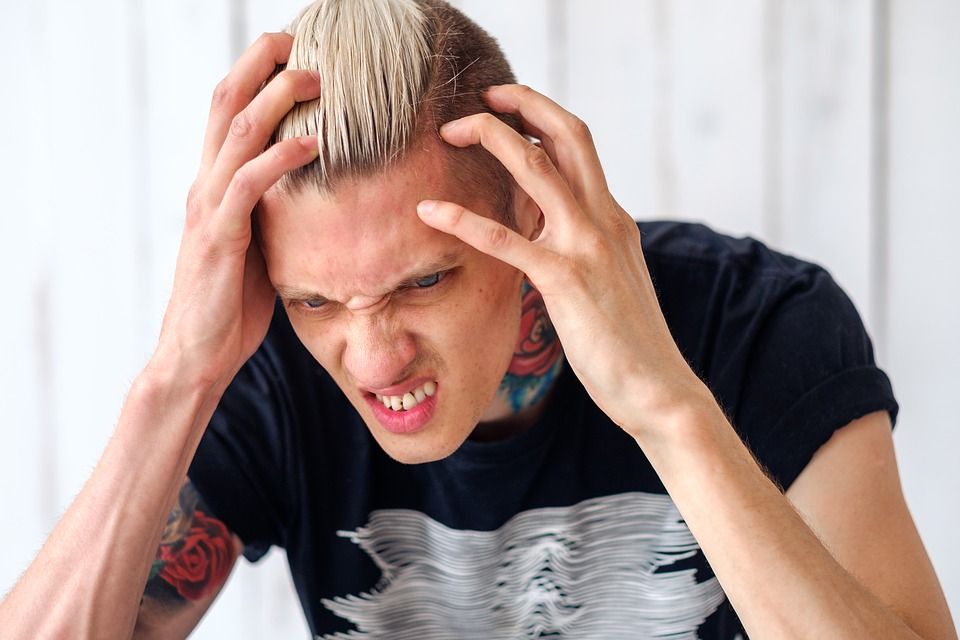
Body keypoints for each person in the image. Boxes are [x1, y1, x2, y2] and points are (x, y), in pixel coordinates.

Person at [0, 0, 955, 637]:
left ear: (529, 211)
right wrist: (179, 375)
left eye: (423, 283)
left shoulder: (760, 325)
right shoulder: (271, 378)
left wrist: (666, 408)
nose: (374, 359)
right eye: (316, 300)